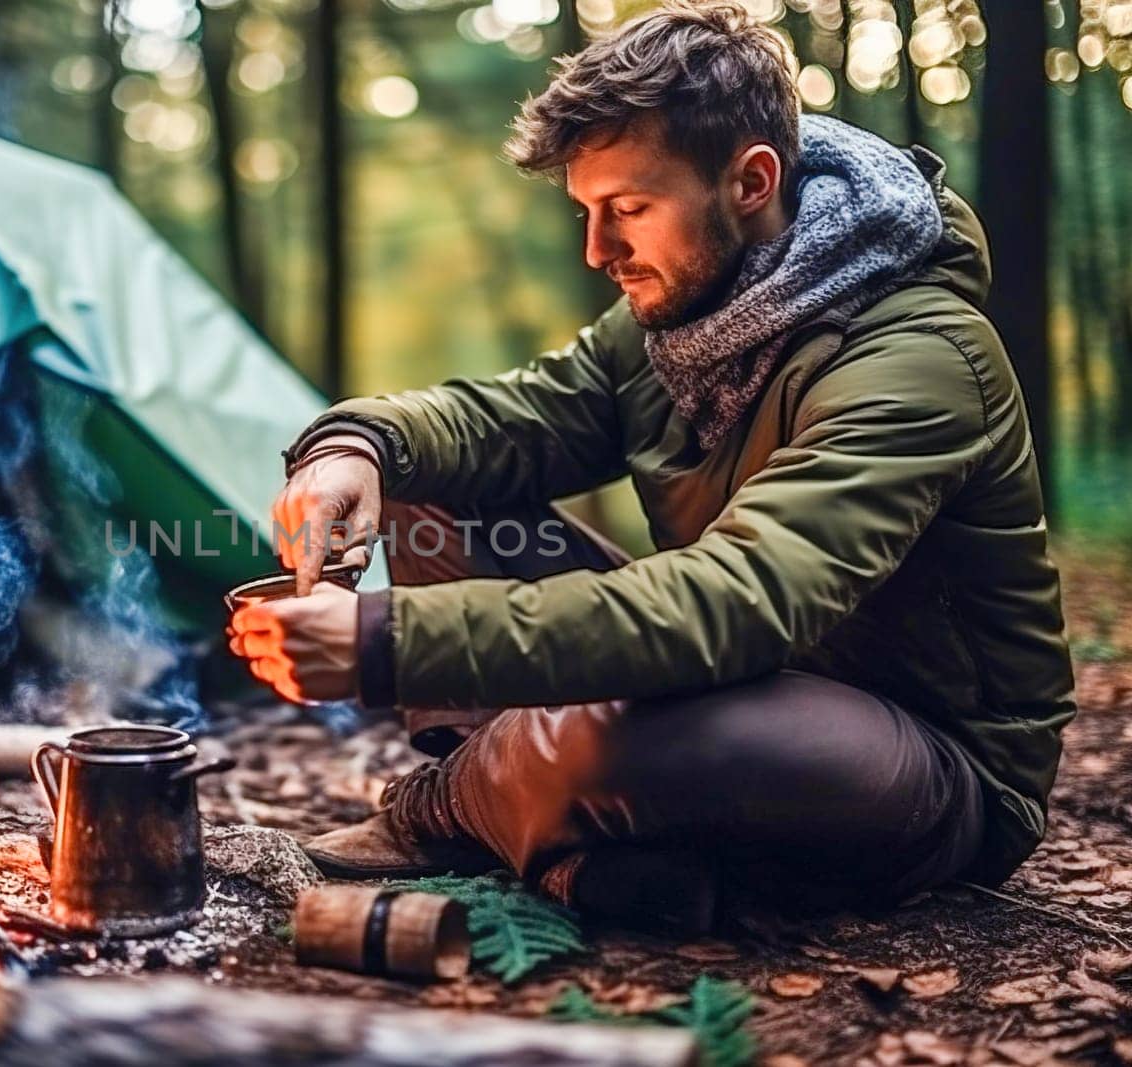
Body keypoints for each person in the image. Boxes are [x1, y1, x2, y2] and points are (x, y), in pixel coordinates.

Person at [227, 1, 1075, 930]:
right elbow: (505, 421)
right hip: (733, 677)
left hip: (922, 753)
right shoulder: (673, 323)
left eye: (628, 209)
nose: (600, 251)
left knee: (605, 741)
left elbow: (741, 598)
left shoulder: (919, 355)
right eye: (588, 212)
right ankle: (583, 839)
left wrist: (388, 639)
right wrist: (354, 447)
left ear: (751, 180)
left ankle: (457, 806)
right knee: (427, 483)